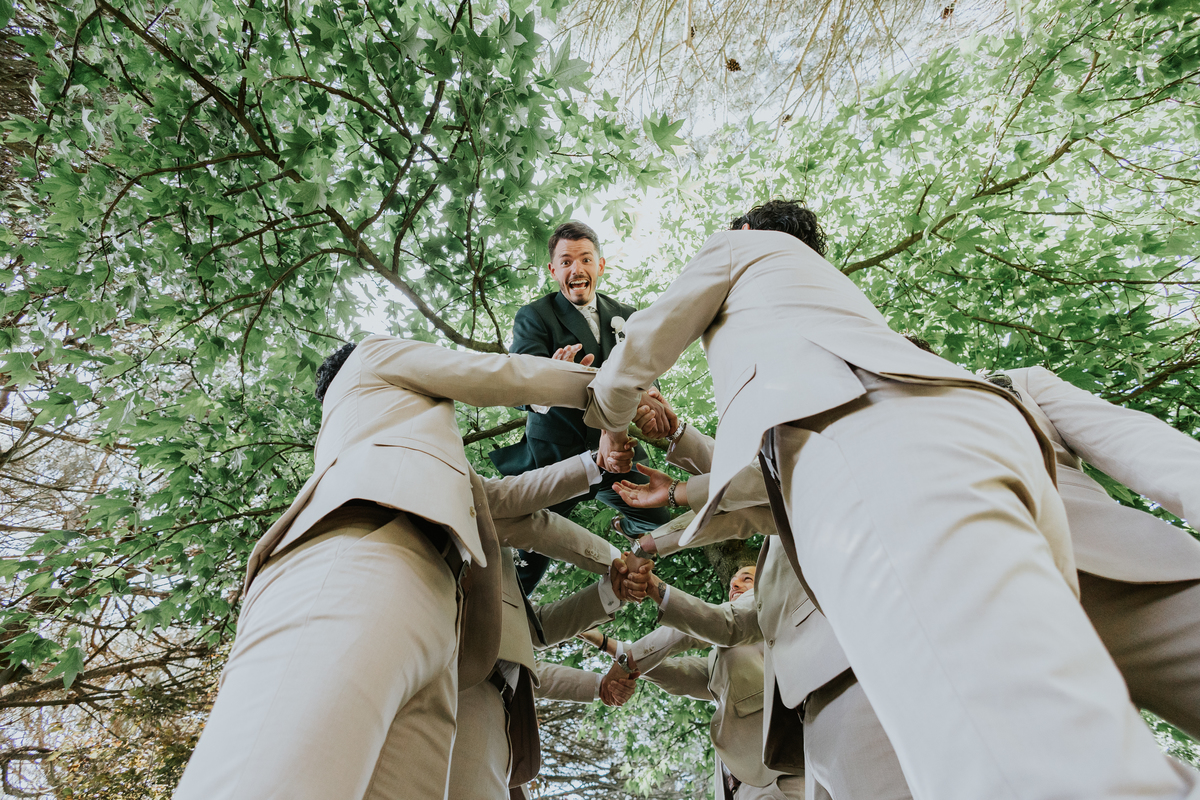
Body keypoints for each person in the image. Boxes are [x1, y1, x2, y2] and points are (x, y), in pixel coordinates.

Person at [582, 200, 1200, 799]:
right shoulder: (867, 391)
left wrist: (610, 417)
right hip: (879, 634)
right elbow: (772, 492)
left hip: (1092, 569)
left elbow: (1157, 455)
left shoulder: (982, 390)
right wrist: (684, 492)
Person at [173, 335, 623, 800]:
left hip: (442, 622)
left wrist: (596, 463)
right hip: (366, 554)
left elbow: (501, 501)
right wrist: (607, 390)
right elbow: (488, 375)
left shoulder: (417, 450)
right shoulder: (371, 356)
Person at [611, 418, 912, 800]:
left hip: (844, 683)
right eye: (735, 579)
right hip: (804, 728)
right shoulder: (768, 586)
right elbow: (755, 494)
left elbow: (768, 480)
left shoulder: (834, 447)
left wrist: (675, 493)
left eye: (747, 578)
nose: (737, 583)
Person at [490, 221, 673, 593]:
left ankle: (629, 571)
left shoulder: (627, 314)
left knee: (658, 519)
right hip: (554, 456)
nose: (577, 269)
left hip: (615, 455)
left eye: (585, 259)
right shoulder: (535, 315)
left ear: (600, 266)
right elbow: (520, 385)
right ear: (553, 270)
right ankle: (503, 615)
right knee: (529, 550)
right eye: (566, 261)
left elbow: (642, 376)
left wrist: (651, 403)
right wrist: (549, 378)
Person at [448, 515, 648, 800]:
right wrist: (615, 559)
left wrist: (599, 685)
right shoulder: (476, 505)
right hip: (453, 690)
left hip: (492, 716)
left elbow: (528, 634)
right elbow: (532, 517)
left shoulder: (495, 561)